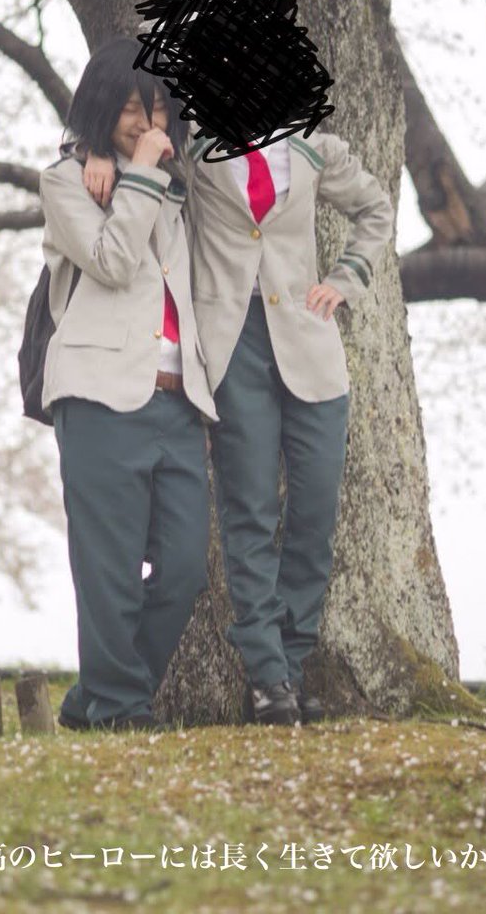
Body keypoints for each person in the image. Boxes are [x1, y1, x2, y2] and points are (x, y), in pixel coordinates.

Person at [84, 94, 394, 726]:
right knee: (249, 515)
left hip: (310, 348)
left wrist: (346, 278)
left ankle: (293, 660)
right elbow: (133, 152)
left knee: (314, 517)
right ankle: (268, 678)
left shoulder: (313, 147)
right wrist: (89, 149)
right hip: (231, 350)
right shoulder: (192, 150)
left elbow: (375, 208)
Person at [39, 37, 217, 732]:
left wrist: (144, 168)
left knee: (186, 568)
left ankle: (94, 696)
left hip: (179, 399)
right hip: (99, 394)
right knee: (108, 567)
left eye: (159, 109)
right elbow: (112, 261)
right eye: (131, 109)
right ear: (103, 107)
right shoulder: (66, 182)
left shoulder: (176, 185)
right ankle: (119, 709)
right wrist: (129, 168)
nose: (147, 123)